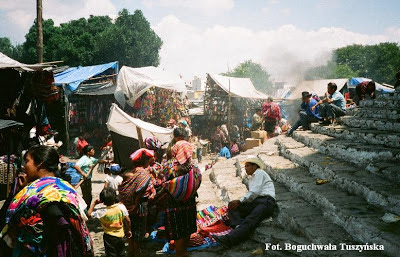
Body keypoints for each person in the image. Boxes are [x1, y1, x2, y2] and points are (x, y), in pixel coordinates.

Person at [0, 145, 93, 257]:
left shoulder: (48, 194)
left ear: (40, 164)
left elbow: (59, 221)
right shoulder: (62, 187)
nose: (24, 167)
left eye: (27, 161)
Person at [212, 155, 276, 248]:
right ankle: (237, 227)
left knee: (251, 219)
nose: (245, 168)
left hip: (266, 201)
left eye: (248, 166)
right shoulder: (251, 179)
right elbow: (252, 196)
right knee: (232, 206)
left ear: (254, 167)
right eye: (245, 166)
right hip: (257, 201)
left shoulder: (260, 173)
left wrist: (240, 201)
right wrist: (239, 202)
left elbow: (255, 191)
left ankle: (230, 240)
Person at [163, 140, 202, 257]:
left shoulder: (170, 165)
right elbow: (198, 180)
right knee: (186, 232)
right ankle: (183, 252)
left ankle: (180, 253)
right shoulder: (194, 166)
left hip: (174, 206)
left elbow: (163, 181)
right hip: (189, 205)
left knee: (178, 234)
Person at [118, 148, 156, 257]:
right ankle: (136, 252)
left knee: (131, 228)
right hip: (139, 205)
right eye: (149, 160)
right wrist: (135, 204)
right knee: (139, 229)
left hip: (129, 205)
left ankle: (131, 250)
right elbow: (139, 190)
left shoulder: (134, 170)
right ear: (145, 161)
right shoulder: (143, 173)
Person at [88, 187, 131, 257]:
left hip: (109, 237)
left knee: (111, 254)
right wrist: (128, 230)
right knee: (121, 253)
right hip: (121, 235)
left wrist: (94, 204)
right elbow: (128, 220)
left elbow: (89, 215)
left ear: (102, 200)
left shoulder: (101, 212)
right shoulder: (121, 207)